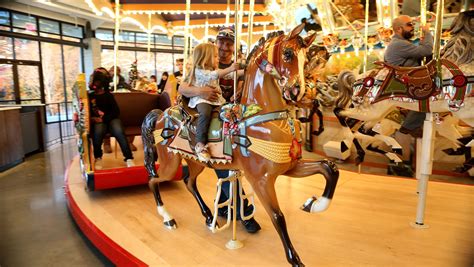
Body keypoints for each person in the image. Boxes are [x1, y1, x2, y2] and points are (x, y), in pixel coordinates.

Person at [179, 27, 261, 233]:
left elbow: (248, 84)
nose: (224, 47)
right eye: (221, 42)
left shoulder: (238, 65)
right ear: (215, 43)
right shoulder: (204, 62)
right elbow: (183, 88)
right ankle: (244, 212)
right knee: (224, 163)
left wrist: (241, 92)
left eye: (228, 43)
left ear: (234, 46)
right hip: (212, 114)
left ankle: (224, 204)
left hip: (228, 111)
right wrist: (201, 91)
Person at [384, 15, 433, 176]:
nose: (412, 27)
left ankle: (413, 129)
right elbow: (427, 50)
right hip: (405, 86)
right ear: (399, 29)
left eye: (412, 24)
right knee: (427, 101)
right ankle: (410, 128)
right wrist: (427, 32)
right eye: (409, 25)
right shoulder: (399, 44)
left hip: (408, 84)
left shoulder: (402, 44)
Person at [186, 43, 242, 162]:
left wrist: (246, 70)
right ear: (206, 58)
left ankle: (226, 143)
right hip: (202, 100)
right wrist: (231, 68)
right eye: (215, 56)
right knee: (205, 114)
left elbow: (231, 75)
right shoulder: (199, 71)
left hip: (216, 101)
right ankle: (200, 144)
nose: (218, 58)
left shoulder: (214, 70)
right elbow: (213, 75)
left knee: (229, 114)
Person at [89, 68, 135, 170]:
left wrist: (104, 118)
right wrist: (93, 119)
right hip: (98, 121)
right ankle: (98, 157)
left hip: (111, 119)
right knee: (98, 133)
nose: (93, 83)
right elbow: (87, 112)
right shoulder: (90, 96)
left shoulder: (108, 96)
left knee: (119, 132)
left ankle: (128, 158)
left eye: (96, 81)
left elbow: (115, 112)